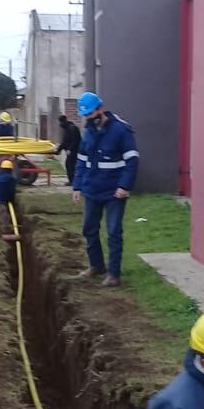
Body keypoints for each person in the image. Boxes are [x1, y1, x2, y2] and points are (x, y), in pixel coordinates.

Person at [71, 91, 138, 288]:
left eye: (91, 114)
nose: (89, 119)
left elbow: (132, 161)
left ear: (100, 109)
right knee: (89, 229)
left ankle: (113, 274)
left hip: (114, 192)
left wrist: (124, 186)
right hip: (92, 189)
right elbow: (82, 161)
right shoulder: (88, 133)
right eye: (86, 116)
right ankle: (96, 266)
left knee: (113, 232)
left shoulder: (120, 131)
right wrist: (77, 186)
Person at [55, 113, 81, 186]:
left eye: (60, 122)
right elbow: (65, 142)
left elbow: (74, 140)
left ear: (63, 121)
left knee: (71, 166)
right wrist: (58, 150)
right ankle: (72, 180)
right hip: (70, 151)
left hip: (74, 151)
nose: (60, 125)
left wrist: (70, 149)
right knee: (69, 165)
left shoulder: (72, 128)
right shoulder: (67, 129)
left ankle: (73, 181)